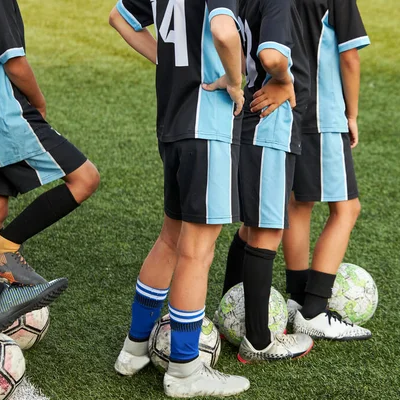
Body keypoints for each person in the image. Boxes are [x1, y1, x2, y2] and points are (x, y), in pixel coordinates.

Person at [109, 0, 250, 397]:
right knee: (196, 251)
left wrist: (168, 63)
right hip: (208, 124)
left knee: (171, 238)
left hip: (173, 124)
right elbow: (223, 31)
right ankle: (185, 371)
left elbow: (118, 17)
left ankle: (134, 350)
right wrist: (235, 80)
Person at [219, 0, 314, 363]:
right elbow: (273, 56)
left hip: (246, 121)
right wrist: (284, 79)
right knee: (266, 230)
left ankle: (232, 312)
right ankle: (259, 341)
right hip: (268, 124)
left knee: (251, 228)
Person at [0, 0, 100, 286]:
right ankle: (2, 249)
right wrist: (38, 102)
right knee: (85, 179)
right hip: (1, 114)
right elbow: (14, 64)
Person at [280, 0, 373, 340]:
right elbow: (349, 56)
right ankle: (315, 309)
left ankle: (297, 298)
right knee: (347, 208)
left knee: (299, 203)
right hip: (321, 113)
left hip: (286, 106)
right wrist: (352, 113)